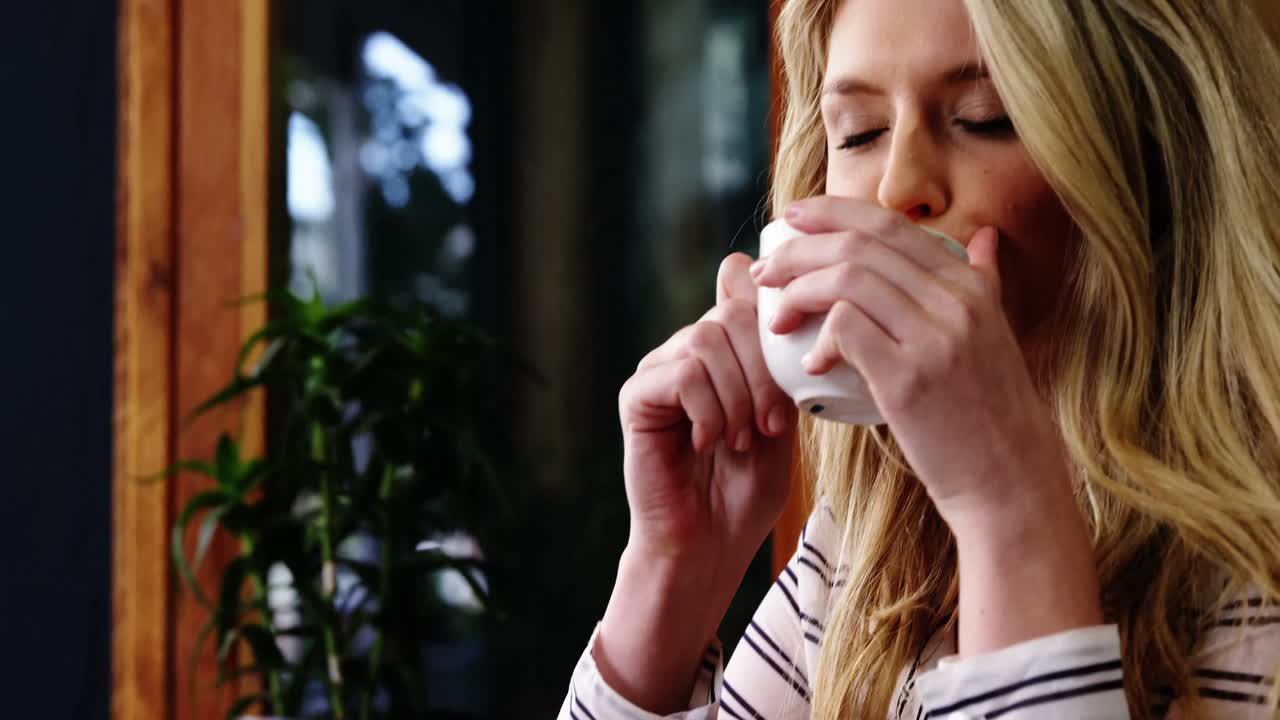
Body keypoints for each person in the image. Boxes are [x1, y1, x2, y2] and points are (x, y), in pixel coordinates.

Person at [558, 0, 1280, 717]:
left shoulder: (1253, 576)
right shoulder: (864, 549)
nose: (897, 187)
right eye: (860, 133)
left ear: (1156, 158)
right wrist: (677, 570)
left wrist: (1008, 512)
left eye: (984, 118)